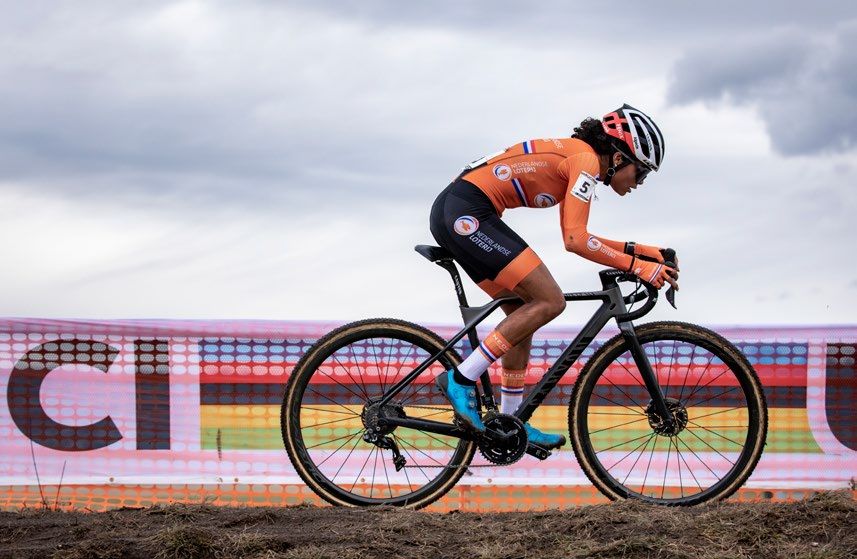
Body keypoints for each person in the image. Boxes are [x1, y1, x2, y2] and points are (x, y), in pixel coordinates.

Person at [429, 104, 679, 449]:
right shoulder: (587, 161)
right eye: (642, 173)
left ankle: (510, 421)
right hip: (466, 213)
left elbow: (577, 233)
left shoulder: (579, 160)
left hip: (462, 210)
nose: (640, 183)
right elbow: (576, 241)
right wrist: (637, 266)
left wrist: (644, 252)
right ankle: (461, 378)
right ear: (620, 157)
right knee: (550, 300)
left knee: (524, 313)